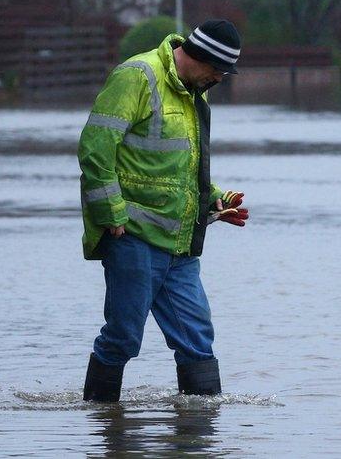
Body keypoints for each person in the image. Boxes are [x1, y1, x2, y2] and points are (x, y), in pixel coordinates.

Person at [77, 20, 250, 402]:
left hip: (180, 244)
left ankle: (201, 435)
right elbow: (95, 147)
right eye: (219, 71)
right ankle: (101, 422)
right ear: (202, 58)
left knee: (197, 339)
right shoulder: (137, 76)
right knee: (123, 338)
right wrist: (112, 214)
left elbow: (179, 167)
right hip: (133, 236)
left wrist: (214, 197)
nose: (221, 79)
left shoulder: (195, 93)